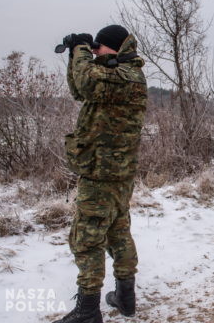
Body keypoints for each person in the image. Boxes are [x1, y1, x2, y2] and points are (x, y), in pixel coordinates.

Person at [55, 25, 147, 323]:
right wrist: (76, 53)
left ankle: (88, 310)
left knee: (87, 240)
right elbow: (79, 88)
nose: (95, 52)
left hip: (101, 172)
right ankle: (125, 297)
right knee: (118, 232)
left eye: (99, 47)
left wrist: (81, 47)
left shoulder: (123, 76)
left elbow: (86, 82)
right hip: (116, 171)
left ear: (114, 47)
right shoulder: (121, 73)